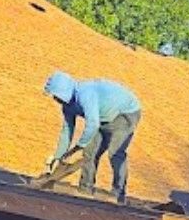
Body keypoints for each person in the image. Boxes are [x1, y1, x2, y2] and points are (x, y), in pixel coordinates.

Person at [43, 71, 141, 203]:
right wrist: (58, 157)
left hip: (124, 114)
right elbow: (67, 130)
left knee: (115, 152)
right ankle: (85, 189)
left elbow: (93, 124)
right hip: (102, 118)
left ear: (64, 91)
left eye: (57, 96)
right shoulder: (67, 106)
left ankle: (118, 194)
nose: (56, 99)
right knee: (90, 152)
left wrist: (79, 146)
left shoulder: (85, 94)